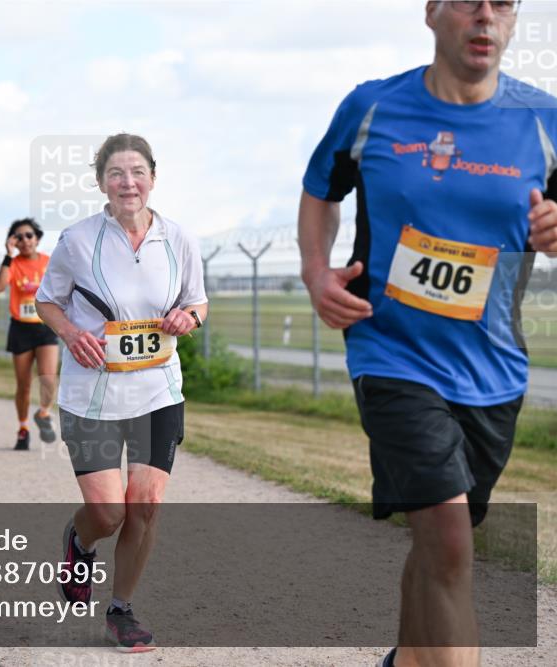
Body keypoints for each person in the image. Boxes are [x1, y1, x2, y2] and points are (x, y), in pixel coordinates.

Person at [298, 3, 557, 666]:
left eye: (503, 2)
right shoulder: (373, 107)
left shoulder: (543, 120)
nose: (485, 15)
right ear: (432, 12)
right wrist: (314, 271)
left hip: (492, 367)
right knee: (447, 537)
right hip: (390, 351)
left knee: (444, 538)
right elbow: (320, 188)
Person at [35, 134, 207, 653]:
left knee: (146, 506)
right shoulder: (78, 240)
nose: (127, 182)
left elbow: (197, 303)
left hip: (158, 391)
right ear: (100, 182)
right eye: (116, 173)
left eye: (137, 172)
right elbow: (48, 302)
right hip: (92, 395)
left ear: (153, 177)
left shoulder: (178, 238)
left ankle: (122, 609)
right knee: (108, 514)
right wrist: (70, 333)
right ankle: (80, 539)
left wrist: (188, 317)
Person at [0, 218, 59, 450]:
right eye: (18, 237)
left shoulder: (49, 262)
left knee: (49, 379)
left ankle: (43, 413)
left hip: (45, 325)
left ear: (37, 238)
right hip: (21, 327)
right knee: (24, 385)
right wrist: (8, 255)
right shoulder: (13, 263)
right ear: (13, 241)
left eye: (29, 235)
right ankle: (22, 428)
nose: (25, 240)